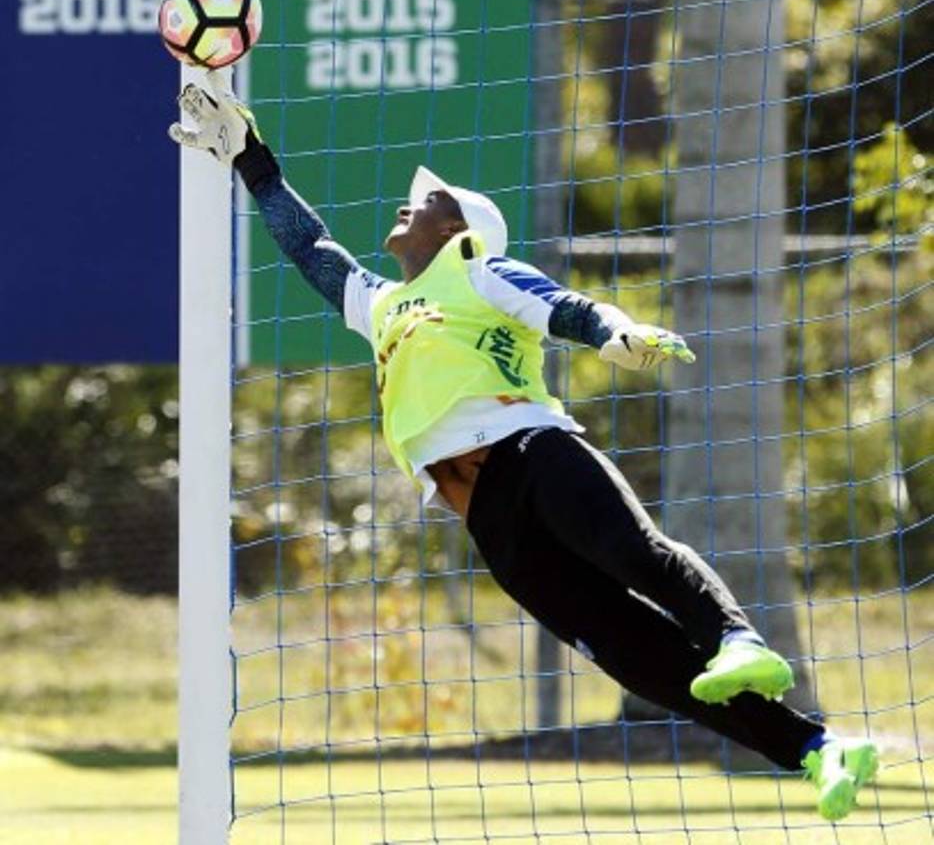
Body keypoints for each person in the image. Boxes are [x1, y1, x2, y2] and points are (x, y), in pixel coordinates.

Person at [170, 73, 879, 821]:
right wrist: (252, 158)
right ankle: (815, 749)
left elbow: (560, 305)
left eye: (430, 201)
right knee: (642, 661)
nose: (411, 204)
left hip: (531, 451)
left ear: (456, 231)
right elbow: (313, 248)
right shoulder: (383, 305)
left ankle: (737, 637)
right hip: (491, 523)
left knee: (634, 550)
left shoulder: (476, 270)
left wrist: (615, 333)